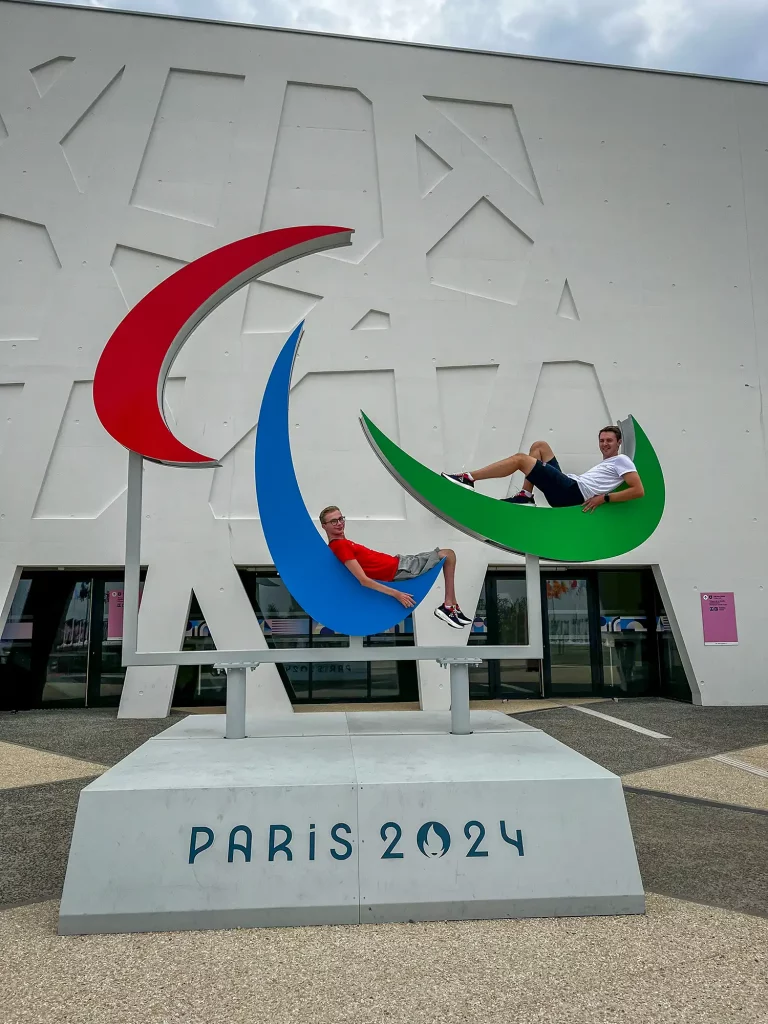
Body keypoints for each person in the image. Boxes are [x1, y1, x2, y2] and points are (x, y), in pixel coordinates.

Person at [319, 506, 470, 628]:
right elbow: (363, 580)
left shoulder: (342, 543)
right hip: (400, 569)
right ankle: (449, 605)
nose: (339, 523)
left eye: (340, 519)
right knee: (448, 554)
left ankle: (451, 605)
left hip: (400, 562)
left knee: (448, 554)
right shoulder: (340, 546)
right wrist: (396, 594)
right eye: (333, 521)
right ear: (324, 526)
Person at [441, 424, 644, 511]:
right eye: (601, 440)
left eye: (609, 440)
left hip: (572, 492)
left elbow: (638, 490)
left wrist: (604, 498)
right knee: (540, 446)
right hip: (569, 487)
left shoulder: (622, 460)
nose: (605, 444)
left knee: (521, 460)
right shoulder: (607, 464)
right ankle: (525, 496)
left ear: (618, 442)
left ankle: (468, 478)